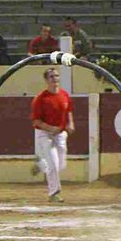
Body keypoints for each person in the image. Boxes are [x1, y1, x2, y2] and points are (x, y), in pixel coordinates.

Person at [30, 68, 75, 203]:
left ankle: (41, 164)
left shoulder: (64, 95)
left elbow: (69, 111)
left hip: (60, 133)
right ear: (46, 80)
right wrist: (51, 128)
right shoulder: (40, 99)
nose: (55, 79)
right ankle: (54, 193)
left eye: (56, 76)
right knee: (54, 164)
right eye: (51, 77)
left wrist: (70, 124)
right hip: (45, 133)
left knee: (61, 164)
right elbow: (36, 121)